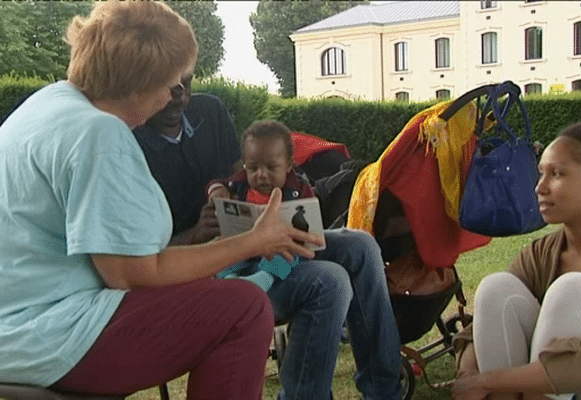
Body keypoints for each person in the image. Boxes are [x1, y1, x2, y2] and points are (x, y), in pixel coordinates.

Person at [0, 2, 324, 399]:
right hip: (48, 340)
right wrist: (252, 241)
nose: (174, 95)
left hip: (17, 329)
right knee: (244, 307)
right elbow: (133, 273)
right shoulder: (99, 135)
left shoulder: (43, 107)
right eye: (171, 84)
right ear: (138, 83)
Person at [133, 76, 404, 400]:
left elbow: (239, 172)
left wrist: (258, 197)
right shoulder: (128, 142)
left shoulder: (209, 110)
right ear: (145, 75)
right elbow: (139, 261)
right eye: (170, 86)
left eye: (187, 83)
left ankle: (384, 392)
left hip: (257, 241)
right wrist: (195, 235)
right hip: (207, 271)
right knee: (329, 279)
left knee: (361, 245)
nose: (181, 96)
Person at [453, 121, 581, 400]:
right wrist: (467, 376)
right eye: (540, 173)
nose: (539, 188)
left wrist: (488, 382)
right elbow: (477, 331)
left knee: (573, 289)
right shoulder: (541, 253)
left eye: (557, 174)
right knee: (497, 289)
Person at [209, 120, 316, 291]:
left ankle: (264, 278)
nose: (261, 175)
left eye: (271, 167)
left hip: (279, 248)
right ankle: (228, 278)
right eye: (252, 168)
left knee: (290, 252)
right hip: (245, 246)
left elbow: (312, 221)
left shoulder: (298, 189)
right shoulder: (239, 184)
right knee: (224, 249)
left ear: (288, 165)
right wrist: (217, 190)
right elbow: (217, 183)